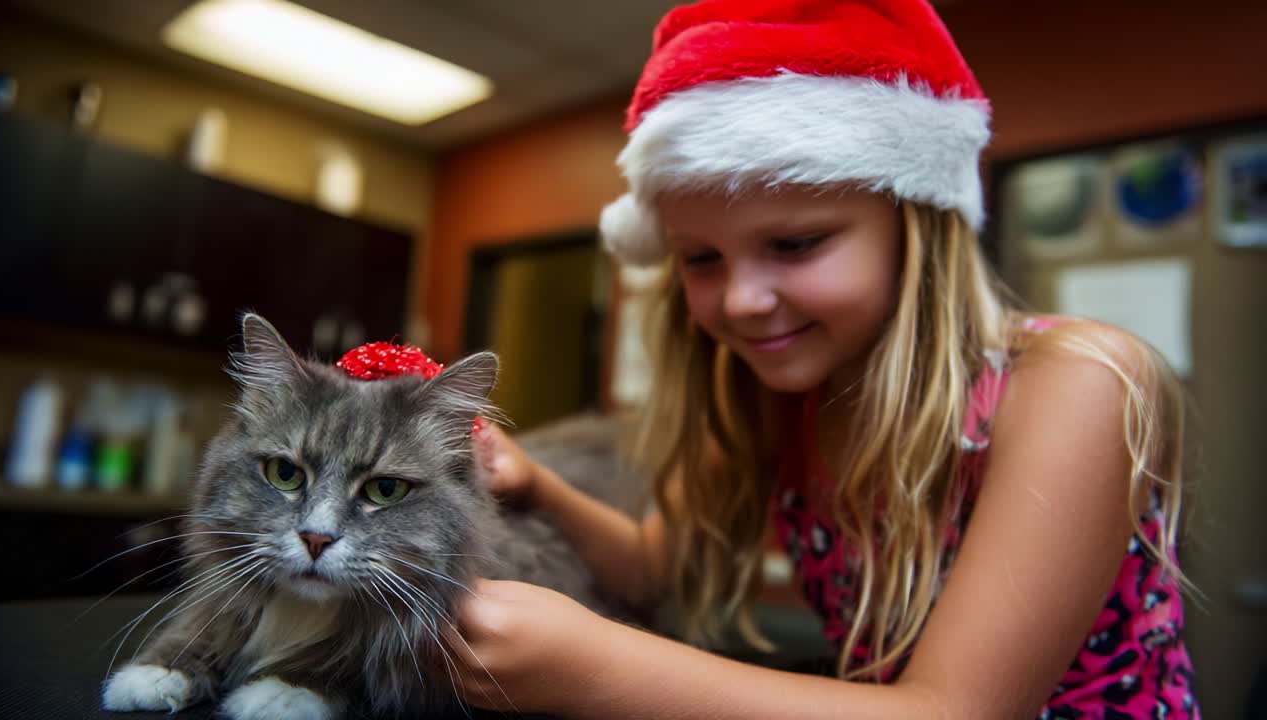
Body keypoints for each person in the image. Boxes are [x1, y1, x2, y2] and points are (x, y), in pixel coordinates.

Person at [449, 1, 1201, 718]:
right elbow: (655, 564)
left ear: (913, 224)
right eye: (701, 258)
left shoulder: (1077, 385)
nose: (741, 300)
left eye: (796, 244)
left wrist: (594, 669)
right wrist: (538, 485)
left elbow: (956, 710)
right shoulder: (776, 397)